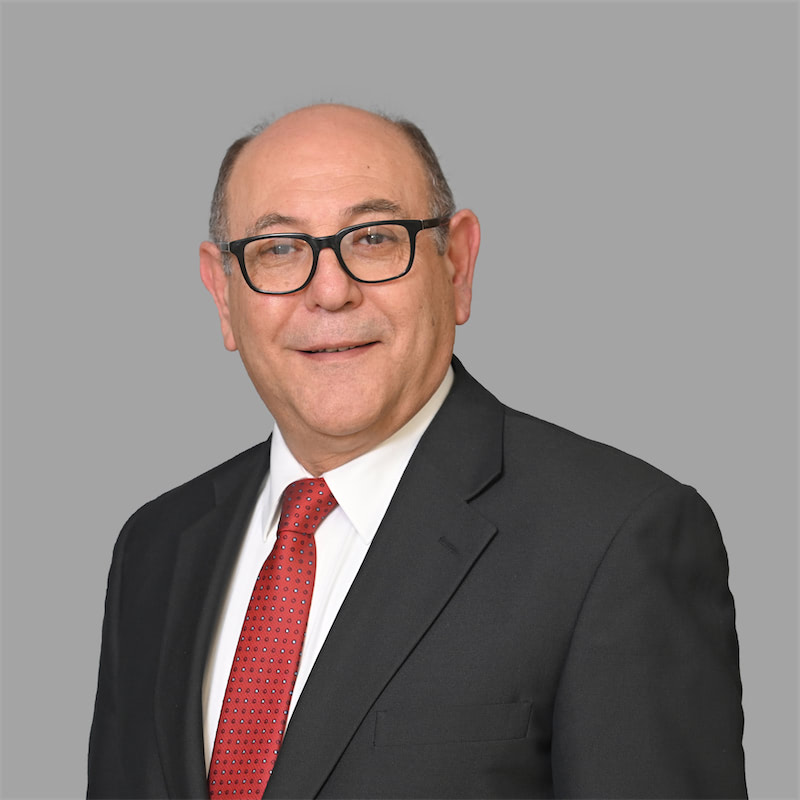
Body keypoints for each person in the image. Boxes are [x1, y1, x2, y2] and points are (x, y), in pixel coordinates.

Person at [87, 103, 747, 799]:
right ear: (224, 294)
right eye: (278, 250)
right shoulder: (155, 547)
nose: (330, 291)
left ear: (456, 264)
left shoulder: (614, 538)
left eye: (374, 238)